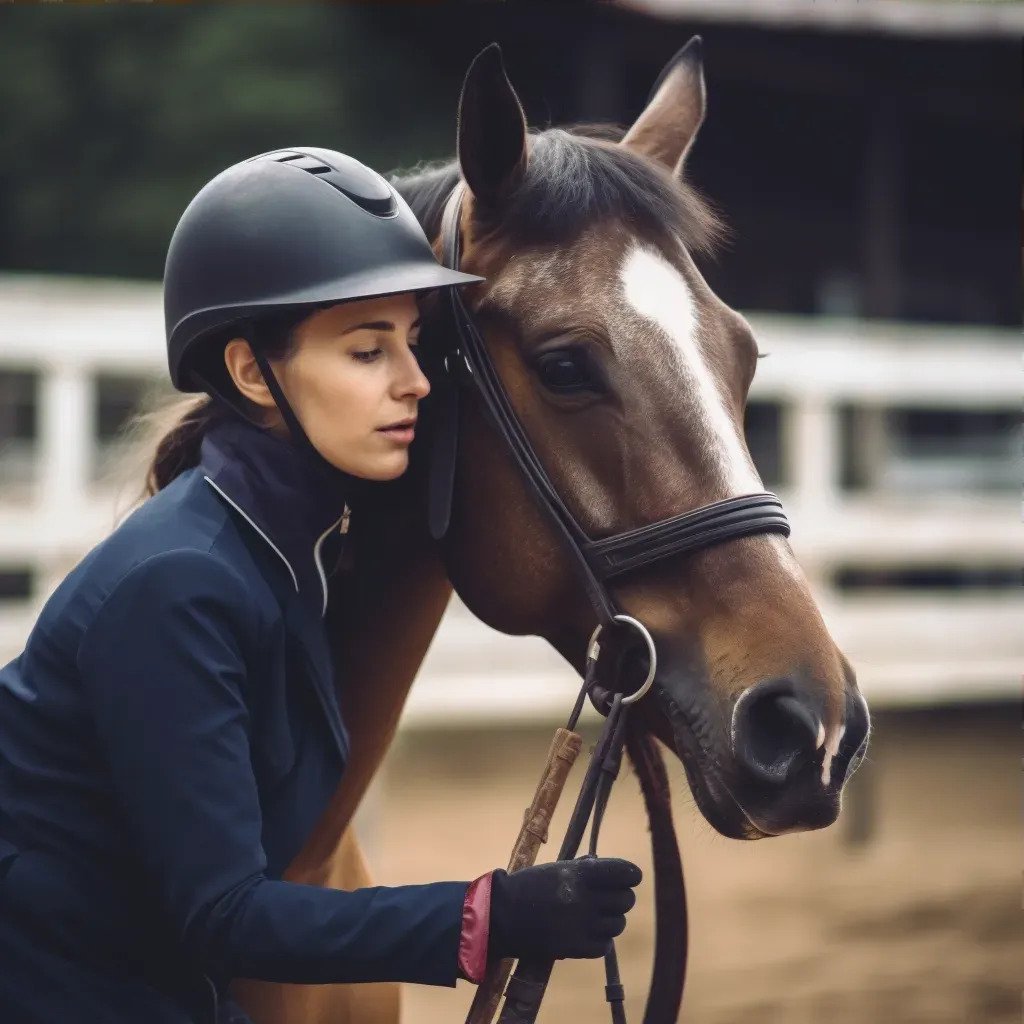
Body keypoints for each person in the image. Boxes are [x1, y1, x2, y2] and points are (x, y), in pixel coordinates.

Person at [0, 147, 642, 1024]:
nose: (415, 380)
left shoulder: (285, 551)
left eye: (412, 344)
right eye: (367, 350)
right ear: (253, 372)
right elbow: (224, 915)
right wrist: (491, 914)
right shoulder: (180, 585)